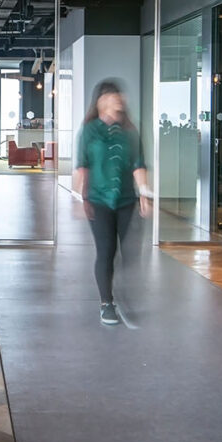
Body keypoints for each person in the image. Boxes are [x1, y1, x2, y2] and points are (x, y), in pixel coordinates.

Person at [72, 79, 152, 325]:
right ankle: (106, 303)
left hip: (126, 200)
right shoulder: (89, 131)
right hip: (99, 200)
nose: (119, 99)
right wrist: (79, 198)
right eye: (112, 96)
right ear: (101, 101)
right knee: (107, 250)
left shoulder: (130, 131)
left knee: (130, 253)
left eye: (119, 95)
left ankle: (126, 298)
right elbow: (82, 166)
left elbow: (138, 164)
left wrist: (144, 193)